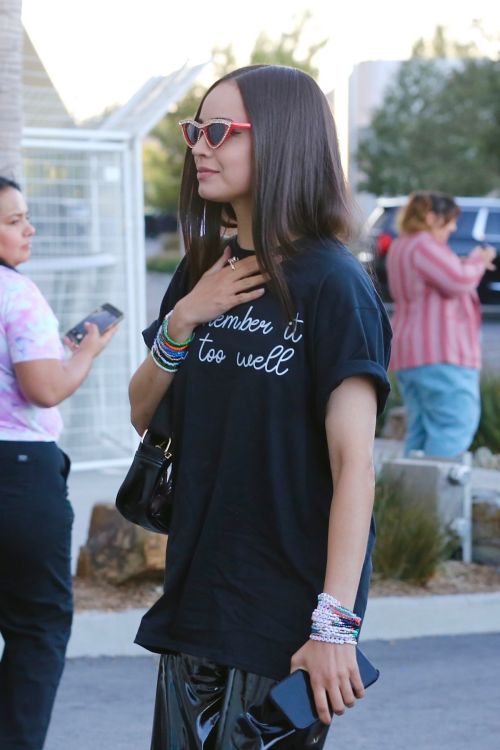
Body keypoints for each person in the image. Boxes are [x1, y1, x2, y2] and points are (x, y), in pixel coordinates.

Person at [128, 65, 392, 749]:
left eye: (220, 131)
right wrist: (184, 319)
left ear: (282, 140)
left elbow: (355, 466)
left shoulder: (334, 284)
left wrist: (334, 628)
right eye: (195, 130)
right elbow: (142, 414)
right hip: (195, 603)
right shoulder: (200, 272)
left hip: (283, 622)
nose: (199, 147)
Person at [0, 176, 117, 750]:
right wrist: (86, 353)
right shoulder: (15, 294)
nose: (29, 228)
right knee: (37, 627)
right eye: (13, 220)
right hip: (18, 473)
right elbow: (44, 389)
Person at [386, 190, 497, 459]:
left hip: (411, 355)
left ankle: (414, 495)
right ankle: (439, 497)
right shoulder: (424, 245)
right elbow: (458, 281)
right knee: (454, 425)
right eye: (449, 221)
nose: (454, 227)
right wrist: (477, 261)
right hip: (440, 354)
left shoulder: (401, 246)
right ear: (431, 217)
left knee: (421, 430)